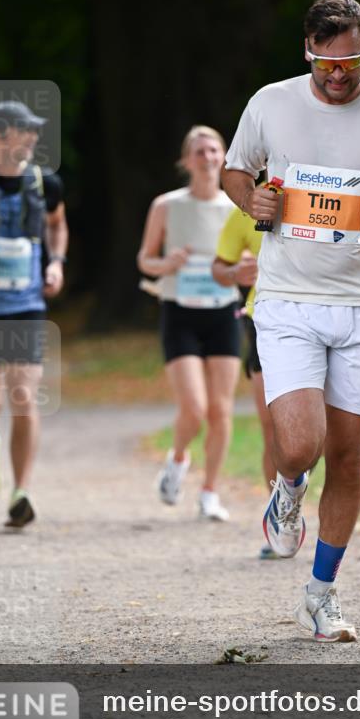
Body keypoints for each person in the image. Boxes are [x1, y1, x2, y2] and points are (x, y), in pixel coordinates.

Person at [222, 0, 360, 641]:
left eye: (349, 60)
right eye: (326, 62)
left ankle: (320, 595)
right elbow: (239, 174)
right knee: (300, 443)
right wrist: (255, 202)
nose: (338, 73)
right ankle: (286, 490)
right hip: (288, 300)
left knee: (348, 459)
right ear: (307, 52)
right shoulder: (270, 102)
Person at [0, 100, 68, 528]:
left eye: (35, 131)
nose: (34, 138)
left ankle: (21, 491)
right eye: (25, 130)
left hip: (26, 306)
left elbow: (58, 223)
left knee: (24, 397)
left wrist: (56, 262)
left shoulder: (45, 182)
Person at [137, 126, 241, 522]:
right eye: (199, 151)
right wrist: (166, 264)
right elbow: (145, 260)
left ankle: (210, 493)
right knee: (194, 408)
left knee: (220, 410)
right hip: (180, 311)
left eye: (213, 150)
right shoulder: (166, 205)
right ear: (186, 161)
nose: (207, 157)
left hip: (222, 313)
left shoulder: (236, 208)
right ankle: (177, 459)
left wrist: (242, 271)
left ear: (224, 156)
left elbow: (252, 262)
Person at [211, 205, 280, 558]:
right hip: (263, 318)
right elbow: (219, 268)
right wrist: (237, 271)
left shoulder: (327, 191)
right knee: (274, 428)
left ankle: (293, 488)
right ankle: (281, 518)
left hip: (323, 314)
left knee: (320, 433)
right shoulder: (250, 207)